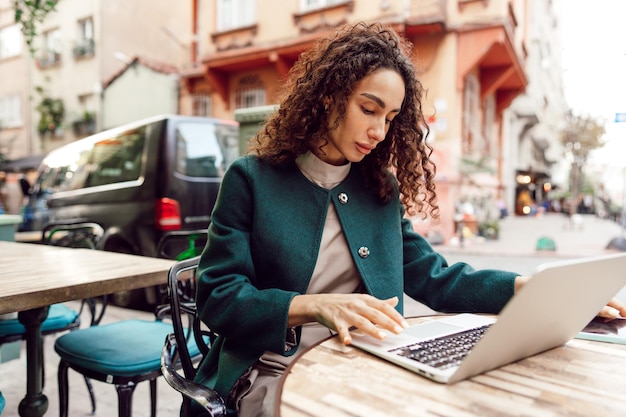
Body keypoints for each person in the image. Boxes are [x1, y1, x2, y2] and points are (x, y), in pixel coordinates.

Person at [193, 22, 626, 417]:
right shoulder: (251, 179)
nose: (380, 131)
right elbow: (218, 297)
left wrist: (524, 290)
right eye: (369, 109)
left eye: (390, 117)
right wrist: (313, 306)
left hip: (365, 364)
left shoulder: (378, 188)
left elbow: (433, 277)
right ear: (329, 96)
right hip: (272, 368)